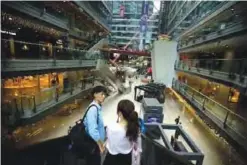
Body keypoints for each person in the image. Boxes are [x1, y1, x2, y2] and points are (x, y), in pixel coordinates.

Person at [103, 100, 141, 165]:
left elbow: (109, 142)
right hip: (126, 158)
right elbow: (137, 146)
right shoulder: (134, 128)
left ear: (119, 113)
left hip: (111, 159)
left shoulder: (110, 127)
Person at [83, 86, 107, 165]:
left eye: (105, 95)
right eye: (102, 94)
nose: (104, 96)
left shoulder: (97, 107)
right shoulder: (93, 109)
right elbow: (93, 131)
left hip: (95, 144)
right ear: (95, 94)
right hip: (93, 144)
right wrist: (100, 145)